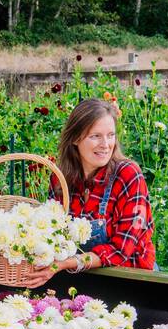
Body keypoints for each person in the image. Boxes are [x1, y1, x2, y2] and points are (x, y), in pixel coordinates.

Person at [22, 97, 157, 287]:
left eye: (111, 135)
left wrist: (67, 263)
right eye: (95, 136)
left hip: (135, 281)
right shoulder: (60, 181)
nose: (105, 144)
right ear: (76, 138)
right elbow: (52, 236)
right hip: (85, 282)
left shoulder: (128, 175)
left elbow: (121, 250)